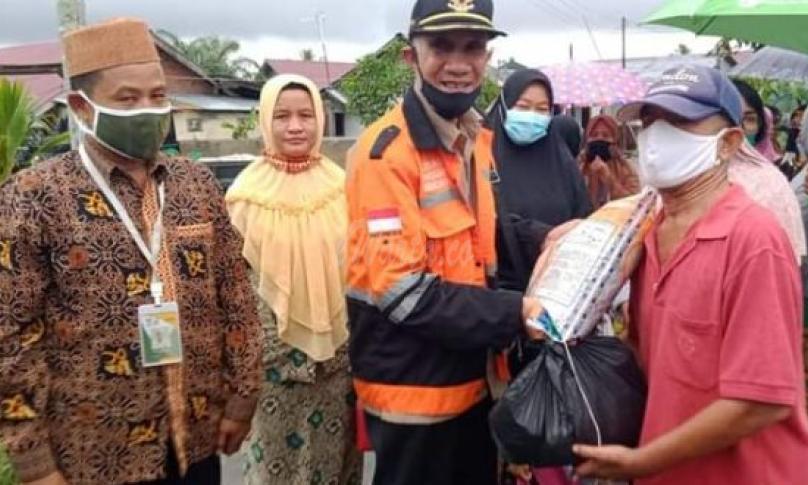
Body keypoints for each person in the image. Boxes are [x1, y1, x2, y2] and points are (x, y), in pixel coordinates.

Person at [0, 19, 262, 485]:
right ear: (81, 106)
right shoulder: (35, 195)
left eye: (157, 96)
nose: (148, 109)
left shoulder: (195, 185)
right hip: (92, 454)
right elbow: (11, 335)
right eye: (127, 98)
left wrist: (241, 399)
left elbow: (236, 296)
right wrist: (33, 461)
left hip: (196, 437)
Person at [574, 65, 808, 484]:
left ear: (729, 143)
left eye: (679, 122)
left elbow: (762, 400)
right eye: (649, 122)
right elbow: (651, 355)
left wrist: (642, 462)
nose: (656, 136)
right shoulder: (647, 233)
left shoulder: (753, 240)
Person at [344, 1, 543, 484]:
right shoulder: (386, 153)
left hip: (472, 380)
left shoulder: (470, 138)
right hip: (416, 393)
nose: (458, 64)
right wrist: (516, 312)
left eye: (473, 47)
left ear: (488, 57)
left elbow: (478, 233)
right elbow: (402, 291)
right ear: (411, 57)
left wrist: (548, 236)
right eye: (441, 47)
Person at [225, 74, 360, 485]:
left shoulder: (344, 187)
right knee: (274, 470)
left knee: (338, 465)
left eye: (306, 115)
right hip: (271, 369)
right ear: (266, 121)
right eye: (282, 116)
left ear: (321, 119)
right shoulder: (244, 194)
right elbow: (230, 288)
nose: (295, 126)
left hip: (339, 365)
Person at [485, 69, 592, 292]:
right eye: (523, 107)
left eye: (542, 109)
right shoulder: (480, 158)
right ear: (504, 107)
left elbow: (584, 220)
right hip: (497, 297)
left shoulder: (563, 164)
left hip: (558, 293)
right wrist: (539, 236)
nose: (532, 116)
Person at [578, 114, 641, 209]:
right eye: (594, 135)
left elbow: (634, 203)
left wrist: (609, 178)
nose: (599, 138)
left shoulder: (625, 167)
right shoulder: (578, 164)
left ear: (614, 140)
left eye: (606, 135)